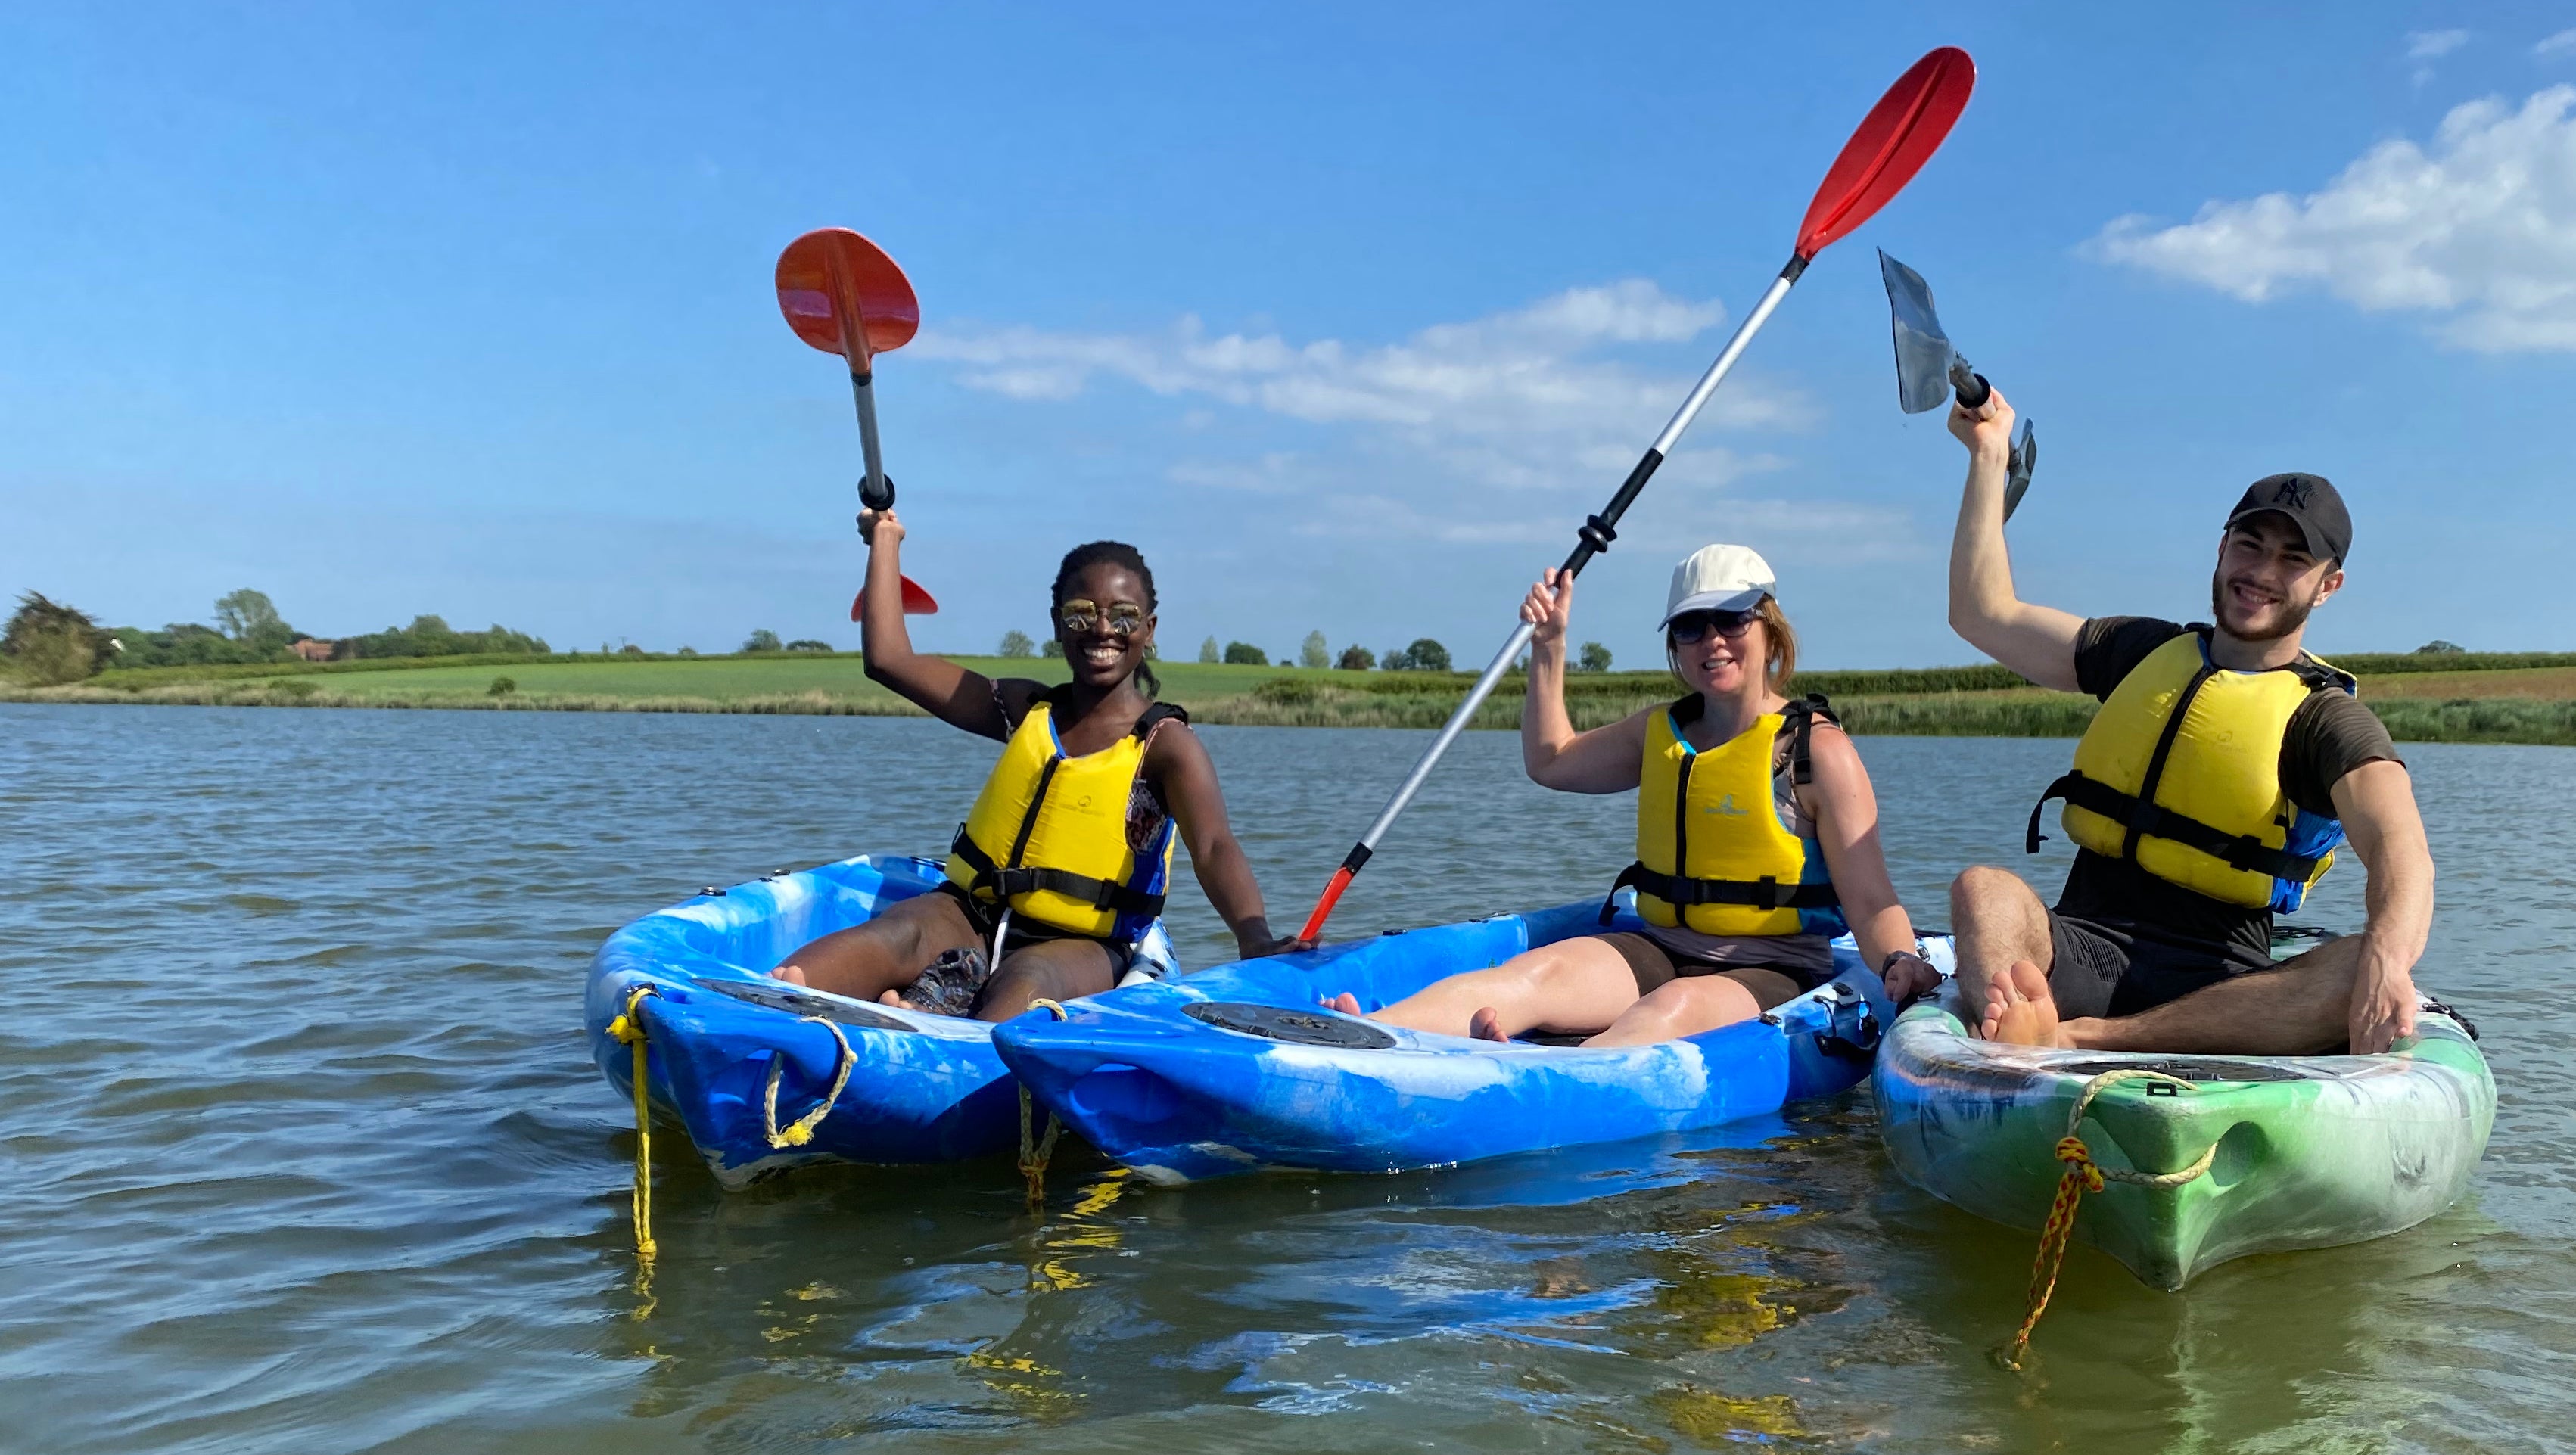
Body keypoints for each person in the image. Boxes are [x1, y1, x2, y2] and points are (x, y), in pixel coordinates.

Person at [1940, 388, 2434, 1056]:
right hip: (2082, 947)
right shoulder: (2141, 651)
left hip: (2225, 987)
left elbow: (2402, 850)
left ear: (2328, 586)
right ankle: (2031, 1023)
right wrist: (1988, 456)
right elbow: (1982, 612)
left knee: (2359, 963)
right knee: (1985, 891)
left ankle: (2077, 1038)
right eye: (2250, 545)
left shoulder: (2325, 718)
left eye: (2292, 560)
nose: (2260, 572)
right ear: (2222, 546)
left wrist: (2386, 954)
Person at [1327, 545, 1943, 1045]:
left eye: (1732, 619)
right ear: (1676, 644)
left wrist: (1896, 960)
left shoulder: (1814, 752)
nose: (1713, 640)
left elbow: (1870, 897)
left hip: (1773, 967)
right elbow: (1550, 761)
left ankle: (1537, 1081)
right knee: (1535, 974)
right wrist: (1550, 647)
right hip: (1657, 945)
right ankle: (1364, 1031)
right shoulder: (1659, 734)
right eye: (1691, 627)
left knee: (1672, 1010)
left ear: (1770, 630)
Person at [769, 508, 1299, 1017]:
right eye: (1081, 613)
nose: (1102, 629)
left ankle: (946, 1029)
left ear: (1150, 628)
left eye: (1123, 616)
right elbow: (888, 659)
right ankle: (778, 1005)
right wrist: (885, 541)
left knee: (1029, 983)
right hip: (968, 911)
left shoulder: (1165, 744)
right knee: (895, 933)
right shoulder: (1025, 709)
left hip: (1081, 943)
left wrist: (1253, 935)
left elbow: (1214, 846)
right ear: (1056, 622)